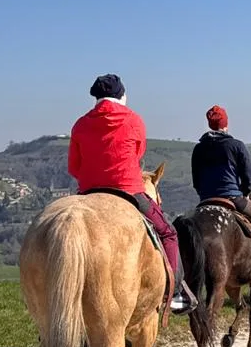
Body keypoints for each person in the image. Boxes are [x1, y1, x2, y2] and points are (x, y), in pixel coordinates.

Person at [67, 73, 181, 295]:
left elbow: (74, 167)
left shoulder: (80, 124)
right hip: (129, 191)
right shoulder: (134, 120)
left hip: (88, 192)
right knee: (168, 233)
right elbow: (138, 154)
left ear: (96, 98)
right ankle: (175, 292)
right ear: (121, 95)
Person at [190, 105, 251, 279]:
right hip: (233, 197)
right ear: (225, 124)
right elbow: (247, 177)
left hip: (205, 200)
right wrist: (245, 192)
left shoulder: (198, 149)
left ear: (210, 124)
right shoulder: (236, 145)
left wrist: (205, 195)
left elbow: (196, 180)